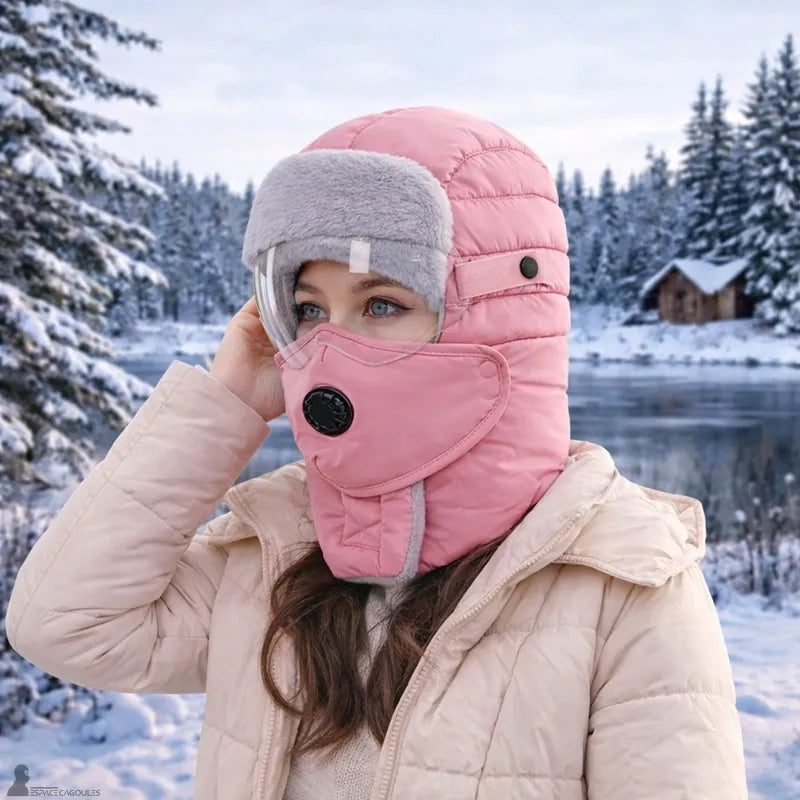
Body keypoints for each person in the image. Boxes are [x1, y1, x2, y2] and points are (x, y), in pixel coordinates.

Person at [5, 106, 748, 800]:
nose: (331, 345)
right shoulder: (275, 553)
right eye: (309, 309)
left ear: (489, 320)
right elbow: (65, 626)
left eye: (381, 304)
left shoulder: (620, 586)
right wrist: (226, 402)